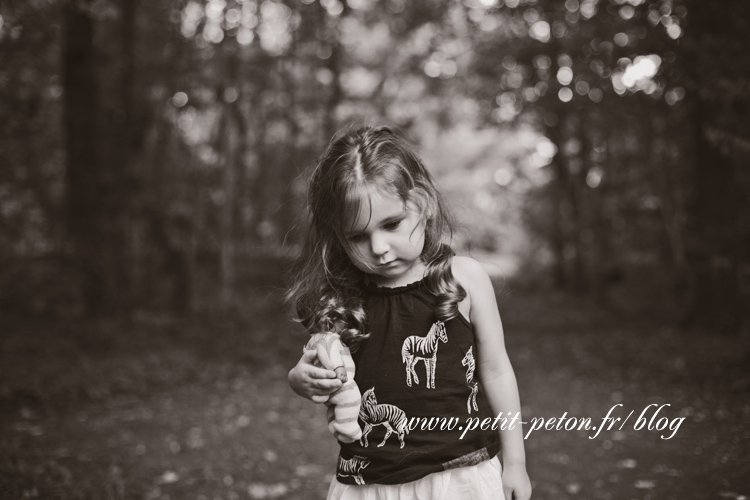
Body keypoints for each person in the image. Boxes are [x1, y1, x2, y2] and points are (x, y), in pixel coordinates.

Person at [287, 124, 532, 500]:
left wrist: (515, 462)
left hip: (461, 475)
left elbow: (497, 370)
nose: (380, 248)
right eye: (358, 236)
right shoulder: (340, 300)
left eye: (392, 224)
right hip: (370, 483)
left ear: (423, 203)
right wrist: (300, 379)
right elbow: (319, 365)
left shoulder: (464, 280)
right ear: (338, 237)